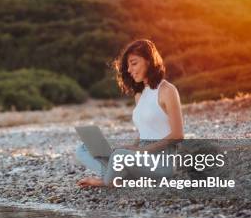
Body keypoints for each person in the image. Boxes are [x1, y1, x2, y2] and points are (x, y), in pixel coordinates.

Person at [76, 39, 184, 187]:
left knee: (119, 156)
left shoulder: (167, 90)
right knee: (83, 149)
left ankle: (108, 181)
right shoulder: (140, 94)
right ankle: (121, 177)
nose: (129, 70)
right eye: (128, 66)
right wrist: (133, 147)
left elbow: (178, 135)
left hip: (161, 163)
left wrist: (142, 151)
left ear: (149, 61)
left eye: (134, 63)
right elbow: (145, 131)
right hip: (140, 157)